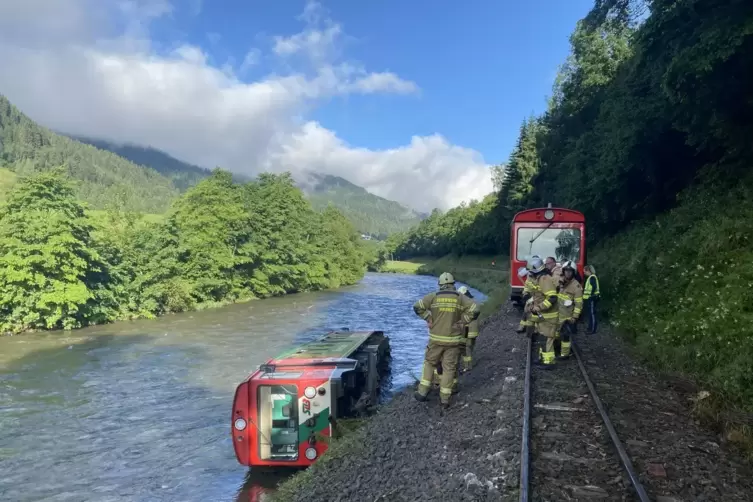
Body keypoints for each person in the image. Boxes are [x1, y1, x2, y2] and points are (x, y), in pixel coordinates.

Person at [413, 272, 479, 408]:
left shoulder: (433, 297)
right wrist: (463, 321)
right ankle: (444, 400)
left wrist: (428, 318)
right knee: (449, 368)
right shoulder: (461, 298)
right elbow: (476, 309)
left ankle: (422, 392)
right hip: (453, 341)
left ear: (440, 285)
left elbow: (417, 306)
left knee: (430, 363)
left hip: (435, 340)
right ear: (453, 284)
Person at [528, 257, 559, 368]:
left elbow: (552, 297)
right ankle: (543, 359)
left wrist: (539, 307)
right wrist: (533, 305)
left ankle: (549, 362)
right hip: (544, 316)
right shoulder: (540, 278)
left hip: (549, 317)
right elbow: (539, 296)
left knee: (548, 339)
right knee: (543, 338)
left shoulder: (544, 279)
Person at [556, 261, 583, 359]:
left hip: (567, 317)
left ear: (573, 272)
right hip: (557, 313)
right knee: (556, 334)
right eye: (566, 270)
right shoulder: (561, 282)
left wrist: (574, 317)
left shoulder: (576, 287)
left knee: (565, 336)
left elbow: (579, 304)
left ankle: (565, 354)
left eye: (570, 271)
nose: (568, 273)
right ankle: (557, 349)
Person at [457, 286, 478, 372]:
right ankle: (469, 364)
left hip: (468, 328)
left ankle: (468, 367)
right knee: (470, 346)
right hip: (474, 329)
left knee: (466, 348)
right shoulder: (474, 302)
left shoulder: (465, 303)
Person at [516, 266, 537, 333]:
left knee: (536, 310)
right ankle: (522, 326)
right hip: (529, 293)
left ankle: (534, 327)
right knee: (527, 308)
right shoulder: (529, 272)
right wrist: (525, 287)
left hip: (537, 294)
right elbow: (520, 275)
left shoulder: (542, 275)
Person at [583, 265, 600, 334]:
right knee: (590, 314)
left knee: (592, 314)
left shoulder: (592, 277)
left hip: (592, 298)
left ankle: (592, 330)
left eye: (585, 271)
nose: (584, 273)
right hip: (591, 298)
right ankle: (590, 328)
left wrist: (591, 295)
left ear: (588, 271)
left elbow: (594, 287)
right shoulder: (591, 277)